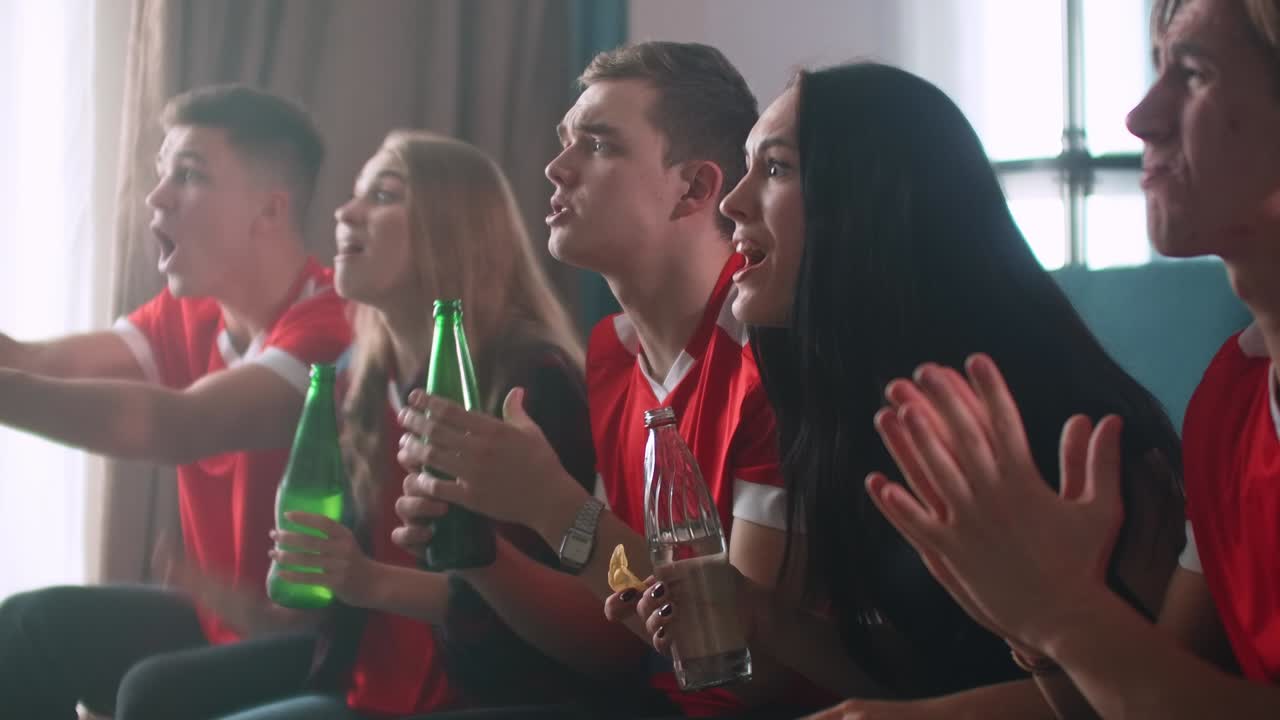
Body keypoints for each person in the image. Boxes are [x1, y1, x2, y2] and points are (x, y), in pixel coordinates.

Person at [608, 62, 1187, 718]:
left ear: (869, 200)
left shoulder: (1075, 429)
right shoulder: (853, 411)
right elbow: (925, 668)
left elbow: (1146, 695)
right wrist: (763, 616)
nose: (732, 202)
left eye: (774, 168)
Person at [853, 0, 1280, 718]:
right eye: (1155, 72)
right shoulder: (1231, 400)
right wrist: (1035, 624)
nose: (1140, 118)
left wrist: (1064, 610)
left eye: (1195, 74)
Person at [394, 42, 826, 718]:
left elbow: (753, 677)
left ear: (694, 188)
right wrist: (479, 549)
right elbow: (617, 636)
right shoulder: (610, 351)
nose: (555, 168)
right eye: (566, 141)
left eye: (597, 146)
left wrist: (548, 501)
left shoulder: (767, 355)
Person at [209, 131, 596, 720]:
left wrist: (363, 580)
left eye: (384, 195)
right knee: (153, 692)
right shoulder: (360, 378)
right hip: (364, 678)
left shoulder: (531, 379)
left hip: (482, 692)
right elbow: (343, 593)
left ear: (453, 231)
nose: (344, 212)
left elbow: (533, 612)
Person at [0, 84, 352, 719]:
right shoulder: (187, 312)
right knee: (27, 625)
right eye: (162, 174)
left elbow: (179, 426)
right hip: (221, 622)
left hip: (317, 645)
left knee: (149, 694)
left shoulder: (331, 329)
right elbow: (33, 364)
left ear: (269, 212)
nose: (156, 196)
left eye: (187, 175)